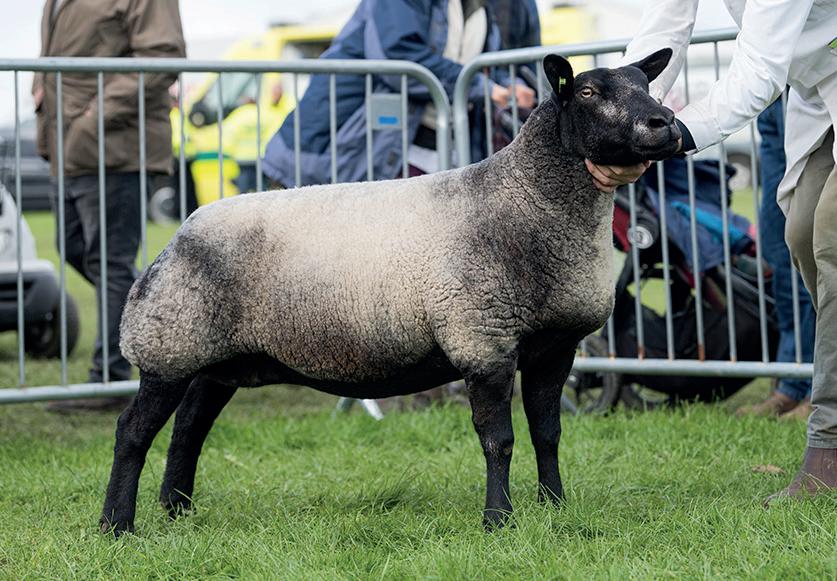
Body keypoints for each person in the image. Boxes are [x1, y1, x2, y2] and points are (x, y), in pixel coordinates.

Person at [584, 0, 837, 501]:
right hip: (818, 88)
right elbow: (664, 29)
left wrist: (671, 136)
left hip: (808, 72)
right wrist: (624, 119)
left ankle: (828, 450)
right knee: (803, 233)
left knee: (832, 239)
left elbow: (758, 69)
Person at [34, 0, 186, 411]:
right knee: (74, 248)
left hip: (116, 147)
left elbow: (163, 56)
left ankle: (109, 379)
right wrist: (41, 95)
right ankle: (172, 319)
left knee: (110, 261)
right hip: (67, 147)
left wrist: (95, 115)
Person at [261, 0, 535, 187]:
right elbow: (398, 54)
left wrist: (507, 85)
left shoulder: (484, 9)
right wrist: (483, 87)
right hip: (358, 143)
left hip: (433, 146)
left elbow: (485, 66)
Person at [737, 98, 817, 421]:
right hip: (776, 95)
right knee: (778, 249)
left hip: (811, 89)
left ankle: (817, 389)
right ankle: (792, 381)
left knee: (810, 250)